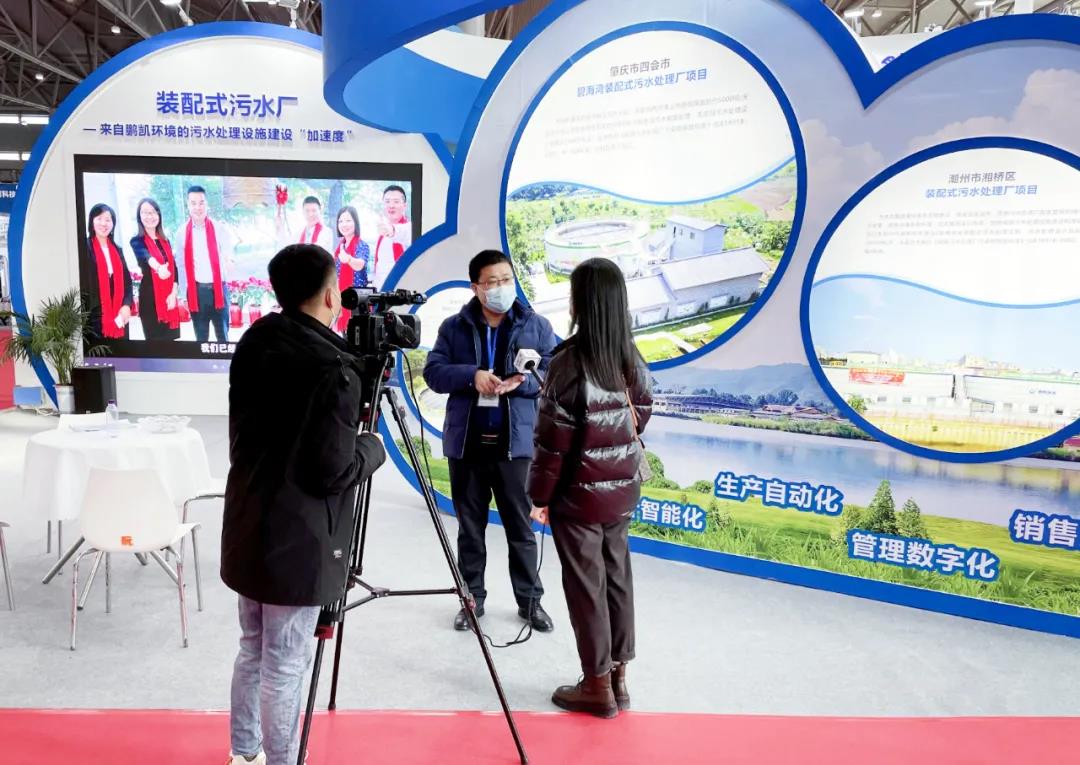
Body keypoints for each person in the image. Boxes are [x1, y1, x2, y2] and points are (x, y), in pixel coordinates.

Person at [221, 243, 387, 765]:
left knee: (253, 648)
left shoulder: (255, 340)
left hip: (248, 520)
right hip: (300, 538)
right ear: (331, 293)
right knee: (285, 661)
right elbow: (333, 471)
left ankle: (243, 752)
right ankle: (283, 760)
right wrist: (372, 446)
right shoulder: (335, 369)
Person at [527, 257, 653, 719]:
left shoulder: (567, 362)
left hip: (577, 497)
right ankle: (618, 679)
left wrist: (540, 498)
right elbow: (641, 414)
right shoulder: (630, 356)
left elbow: (552, 444)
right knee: (617, 579)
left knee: (586, 586)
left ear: (580, 302)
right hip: (621, 492)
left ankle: (595, 685)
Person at [423, 250, 556, 633]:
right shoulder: (454, 327)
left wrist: (522, 383)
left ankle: (530, 602)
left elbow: (552, 372)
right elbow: (434, 372)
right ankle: (471, 600)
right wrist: (472, 375)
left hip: (515, 446)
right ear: (476, 287)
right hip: (467, 444)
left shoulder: (536, 325)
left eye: (506, 280)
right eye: (492, 282)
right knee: (470, 529)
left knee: (521, 529)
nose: (501, 288)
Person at [174, 185, 235, 343]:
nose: (198, 207)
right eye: (193, 203)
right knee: (201, 339)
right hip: (197, 292)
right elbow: (181, 266)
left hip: (219, 290)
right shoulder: (181, 233)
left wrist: (229, 260)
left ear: (207, 204)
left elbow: (228, 252)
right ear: (188, 205)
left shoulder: (220, 228)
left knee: (223, 338)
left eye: (201, 203)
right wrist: (184, 294)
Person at [129, 197, 180, 341]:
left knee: (171, 345)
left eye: (153, 212)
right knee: (155, 345)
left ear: (159, 215)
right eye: (145, 212)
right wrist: (159, 268)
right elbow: (146, 256)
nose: (149, 216)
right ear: (139, 216)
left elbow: (174, 269)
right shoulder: (136, 241)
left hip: (169, 298)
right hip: (150, 300)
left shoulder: (165, 241)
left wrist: (173, 294)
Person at [85, 202, 133, 340]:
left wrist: (126, 305)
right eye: (99, 218)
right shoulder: (84, 249)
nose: (103, 223)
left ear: (113, 224)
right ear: (92, 221)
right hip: (94, 318)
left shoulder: (118, 250)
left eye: (108, 220)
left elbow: (128, 283)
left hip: (120, 316)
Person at [332, 205, 370, 333]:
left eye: (348, 220)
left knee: (359, 338)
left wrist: (348, 259)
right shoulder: (340, 247)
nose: (344, 224)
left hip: (358, 302)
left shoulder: (362, 245)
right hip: (343, 300)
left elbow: (360, 265)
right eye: (341, 221)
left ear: (356, 222)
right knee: (344, 337)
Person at [370, 185, 411, 289]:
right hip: (381, 291)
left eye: (396, 201)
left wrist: (391, 231)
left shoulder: (410, 228)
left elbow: (401, 233)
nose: (391, 205)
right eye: (387, 201)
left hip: (402, 289)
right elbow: (379, 267)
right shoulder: (381, 234)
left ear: (404, 205)